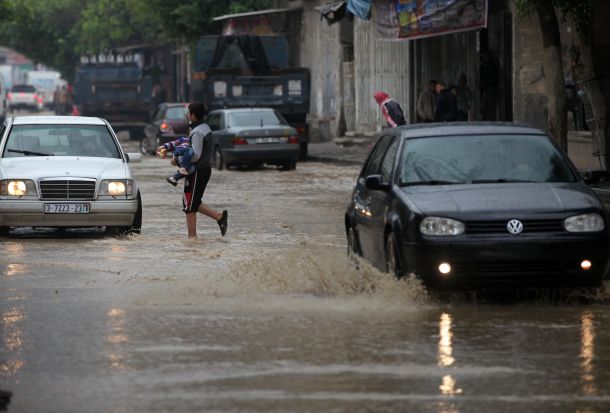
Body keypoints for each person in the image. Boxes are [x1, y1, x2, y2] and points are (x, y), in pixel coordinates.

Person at [158, 102, 227, 239]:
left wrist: (177, 161)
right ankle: (219, 217)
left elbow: (195, 155)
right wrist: (171, 147)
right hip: (202, 170)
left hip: (197, 171)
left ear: (193, 115)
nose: (187, 115)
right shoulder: (204, 127)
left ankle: (192, 240)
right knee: (192, 202)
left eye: (188, 113)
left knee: (189, 205)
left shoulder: (197, 132)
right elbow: (187, 145)